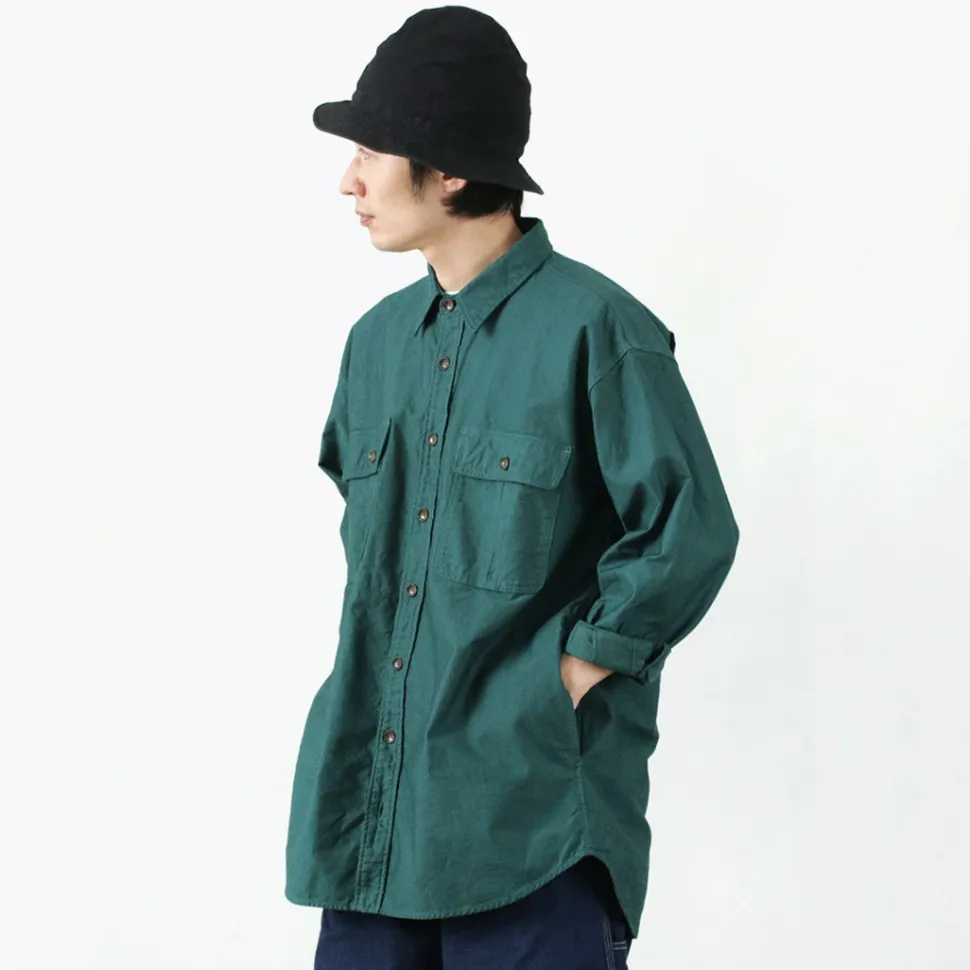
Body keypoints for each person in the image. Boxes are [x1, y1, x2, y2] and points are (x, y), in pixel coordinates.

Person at [286, 6, 740, 968]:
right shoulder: (375, 346)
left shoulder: (599, 330)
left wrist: (568, 672)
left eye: (370, 152)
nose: (348, 180)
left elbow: (688, 527)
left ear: (449, 170)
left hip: (530, 830)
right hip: (371, 820)